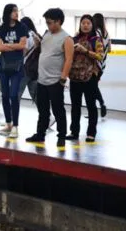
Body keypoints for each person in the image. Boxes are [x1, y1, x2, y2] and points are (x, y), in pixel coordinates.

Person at [25, 8, 73, 148]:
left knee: (58, 110)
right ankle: (40, 134)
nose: (48, 25)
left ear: (58, 22)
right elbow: (44, 51)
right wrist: (38, 43)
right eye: (46, 23)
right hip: (42, 80)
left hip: (55, 81)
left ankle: (61, 135)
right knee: (43, 110)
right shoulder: (46, 35)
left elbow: (69, 60)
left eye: (50, 23)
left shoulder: (66, 39)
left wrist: (63, 78)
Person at [0, 4, 30, 138]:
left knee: (14, 95)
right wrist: (13, 47)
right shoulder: (2, 28)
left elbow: (22, 45)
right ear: (8, 13)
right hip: (3, 66)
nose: (16, 13)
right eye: (14, 11)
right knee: (4, 95)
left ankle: (15, 126)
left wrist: (7, 45)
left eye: (17, 11)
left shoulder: (22, 27)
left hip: (17, 66)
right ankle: (8, 124)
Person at [68, 14, 105, 143]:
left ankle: (91, 133)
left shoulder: (96, 40)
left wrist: (85, 51)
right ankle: (74, 131)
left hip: (90, 78)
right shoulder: (74, 39)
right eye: (83, 23)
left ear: (92, 25)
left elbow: (100, 56)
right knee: (75, 106)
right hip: (74, 77)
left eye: (88, 23)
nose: (85, 25)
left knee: (91, 106)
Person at [90, 13, 111, 118]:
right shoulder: (106, 33)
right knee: (93, 87)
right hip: (102, 65)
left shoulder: (95, 33)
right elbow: (110, 49)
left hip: (95, 64)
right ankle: (95, 108)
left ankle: (101, 105)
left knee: (92, 87)